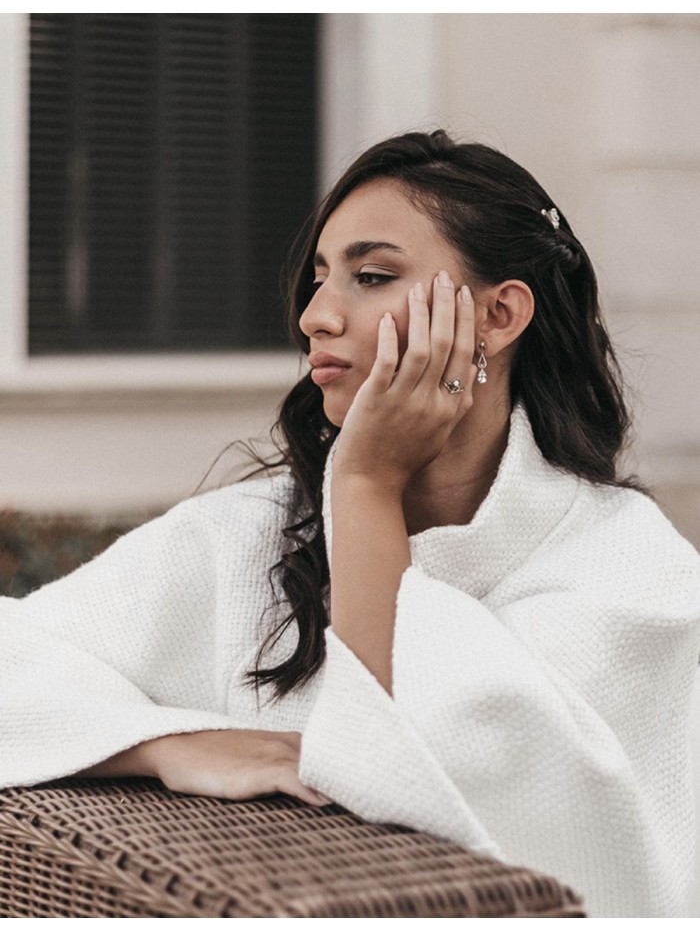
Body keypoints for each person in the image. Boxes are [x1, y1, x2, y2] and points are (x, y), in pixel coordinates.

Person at [1, 131, 699, 918]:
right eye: (319, 280)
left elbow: (410, 778)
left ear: (499, 315)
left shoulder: (631, 569)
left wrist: (367, 483)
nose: (315, 316)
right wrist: (165, 746)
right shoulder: (255, 531)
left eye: (371, 277)